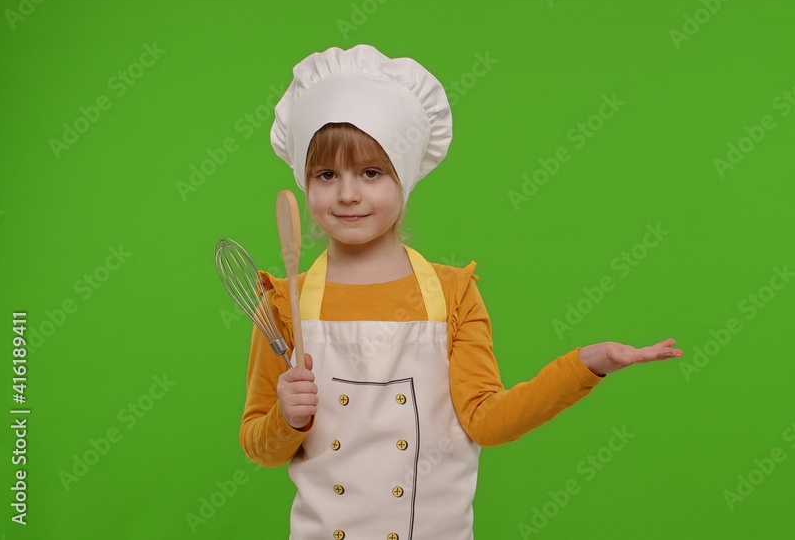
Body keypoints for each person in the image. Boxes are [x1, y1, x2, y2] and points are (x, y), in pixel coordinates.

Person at [239, 44, 683, 540]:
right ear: (305, 183)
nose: (347, 194)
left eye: (371, 172)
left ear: (404, 177)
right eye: (326, 175)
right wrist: (286, 418)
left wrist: (587, 363)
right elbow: (259, 447)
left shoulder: (453, 295)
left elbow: (487, 422)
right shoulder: (284, 305)